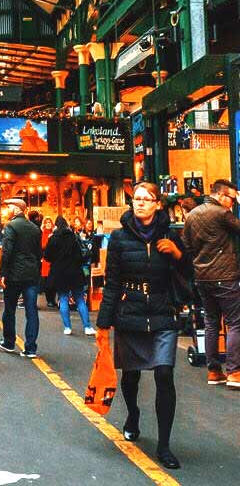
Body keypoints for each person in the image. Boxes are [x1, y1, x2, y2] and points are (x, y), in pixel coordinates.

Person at [96, 181, 191, 470]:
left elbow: (189, 271)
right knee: (132, 374)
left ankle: (164, 445)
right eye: (136, 198)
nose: (139, 203)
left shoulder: (172, 235)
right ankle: (133, 414)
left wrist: (176, 254)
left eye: (146, 199)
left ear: (157, 204)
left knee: (164, 374)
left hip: (162, 311)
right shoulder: (120, 239)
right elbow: (111, 283)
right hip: (131, 311)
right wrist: (103, 324)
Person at [182, 179, 240, 388]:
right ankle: (234, 372)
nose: (232, 203)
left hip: (202, 277)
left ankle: (214, 371)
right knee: (235, 323)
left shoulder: (194, 214)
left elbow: (186, 246)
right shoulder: (222, 214)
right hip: (225, 276)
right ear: (222, 195)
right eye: (232, 199)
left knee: (211, 323)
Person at [0, 198, 42, 358]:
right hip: (31, 274)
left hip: (14, 275)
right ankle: (31, 348)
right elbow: (39, 253)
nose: (7, 209)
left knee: (9, 309)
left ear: (17, 209)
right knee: (31, 311)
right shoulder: (35, 228)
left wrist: (2, 273)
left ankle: (9, 342)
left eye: (9, 207)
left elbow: (7, 251)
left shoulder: (11, 226)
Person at [43, 215, 94, 336]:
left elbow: (47, 256)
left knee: (63, 298)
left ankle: (67, 327)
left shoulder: (53, 239)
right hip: (75, 272)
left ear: (56, 225)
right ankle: (87, 327)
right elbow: (80, 255)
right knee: (80, 299)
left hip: (60, 273)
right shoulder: (73, 237)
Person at [39, 216, 57, 308]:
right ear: (44, 224)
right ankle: (49, 300)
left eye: (50, 222)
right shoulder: (42, 234)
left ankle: (53, 300)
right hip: (45, 260)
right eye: (47, 223)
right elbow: (41, 247)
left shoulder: (54, 234)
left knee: (53, 281)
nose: (48, 224)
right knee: (46, 281)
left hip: (53, 260)